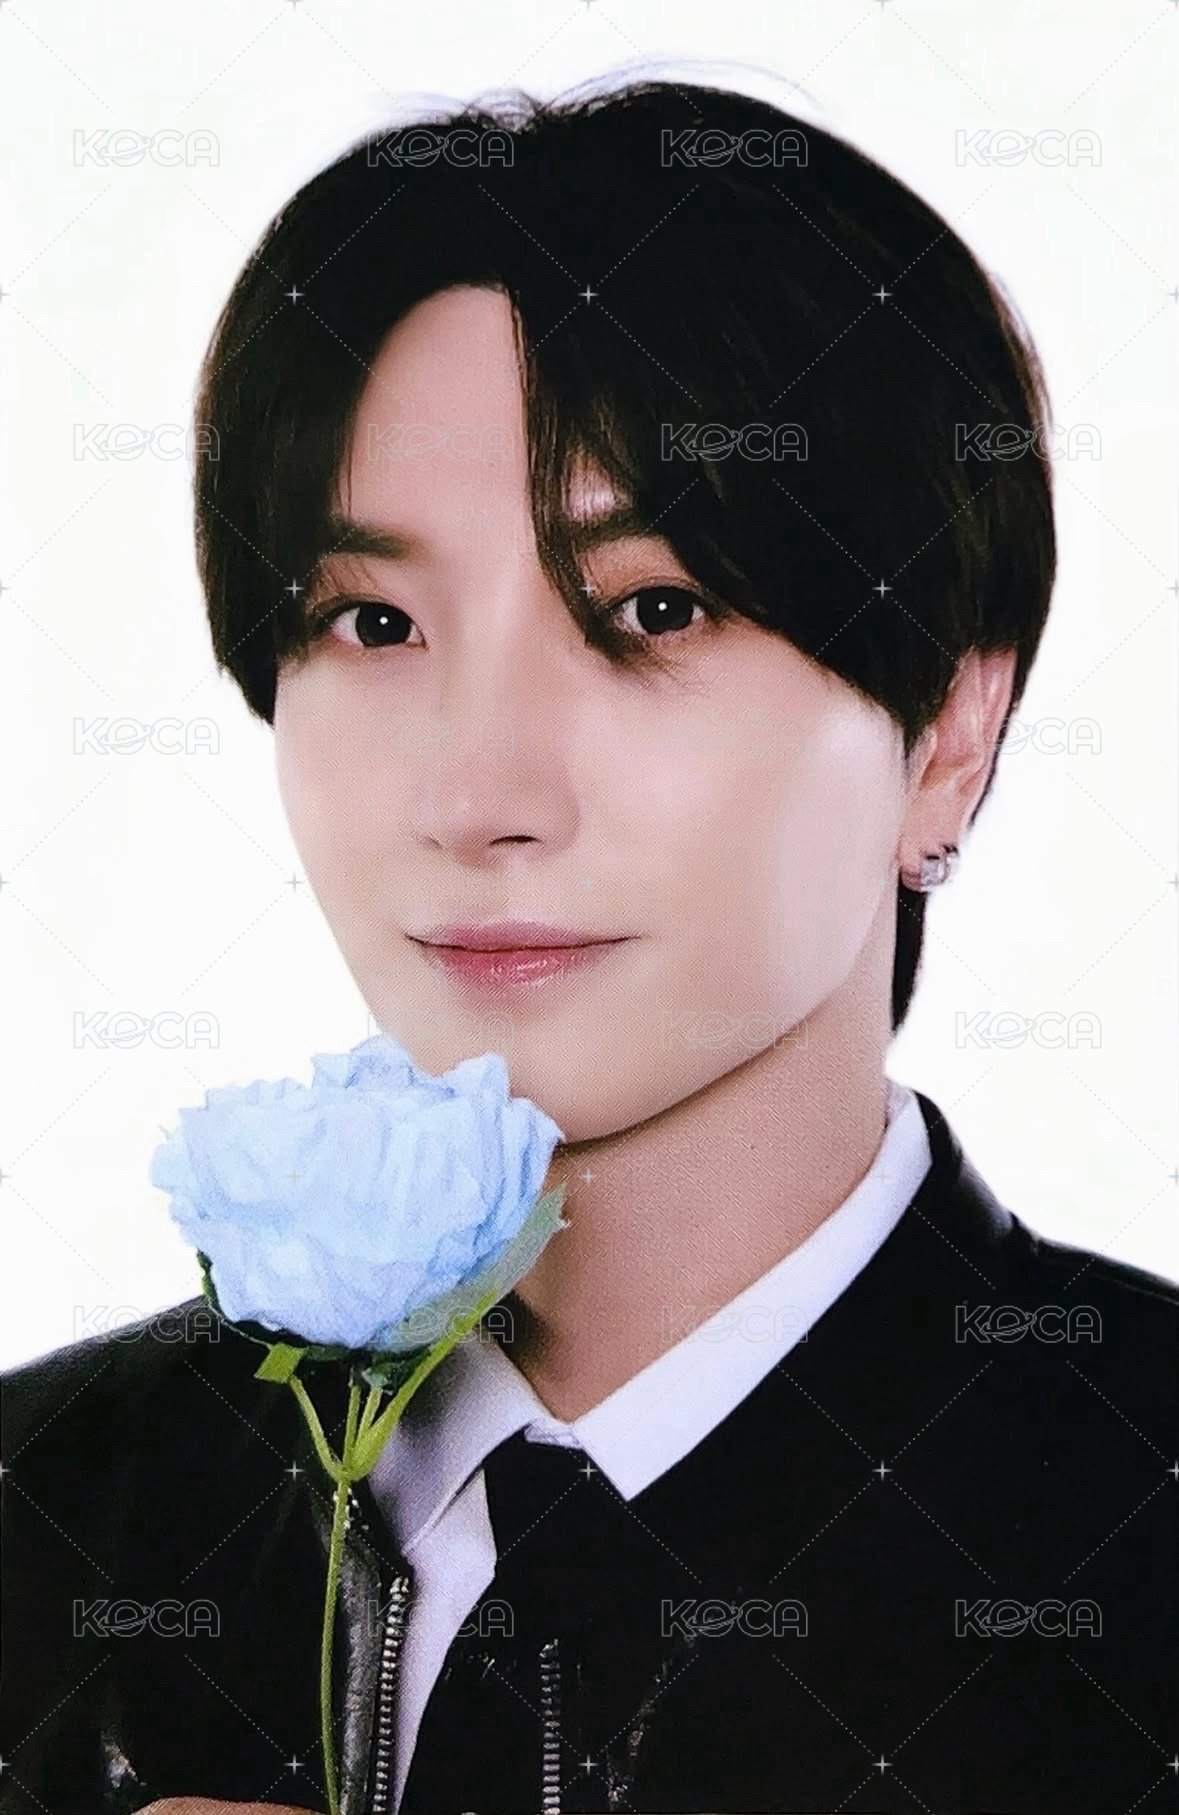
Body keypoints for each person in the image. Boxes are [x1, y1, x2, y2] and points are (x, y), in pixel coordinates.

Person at [3, 73, 1176, 1815]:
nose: (476, 795)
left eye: (653, 608)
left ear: (949, 732)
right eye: (373, 621)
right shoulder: (50, 1510)